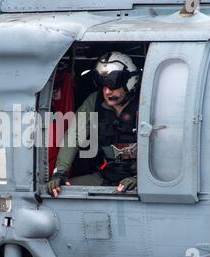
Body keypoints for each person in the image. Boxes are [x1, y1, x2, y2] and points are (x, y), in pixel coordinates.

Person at [46, 51, 140, 197]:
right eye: (103, 85)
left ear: (129, 82)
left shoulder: (145, 103)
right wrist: (60, 172)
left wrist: (139, 179)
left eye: (113, 84)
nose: (107, 91)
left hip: (140, 179)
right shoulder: (94, 102)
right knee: (61, 193)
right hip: (106, 176)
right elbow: (75, 134)